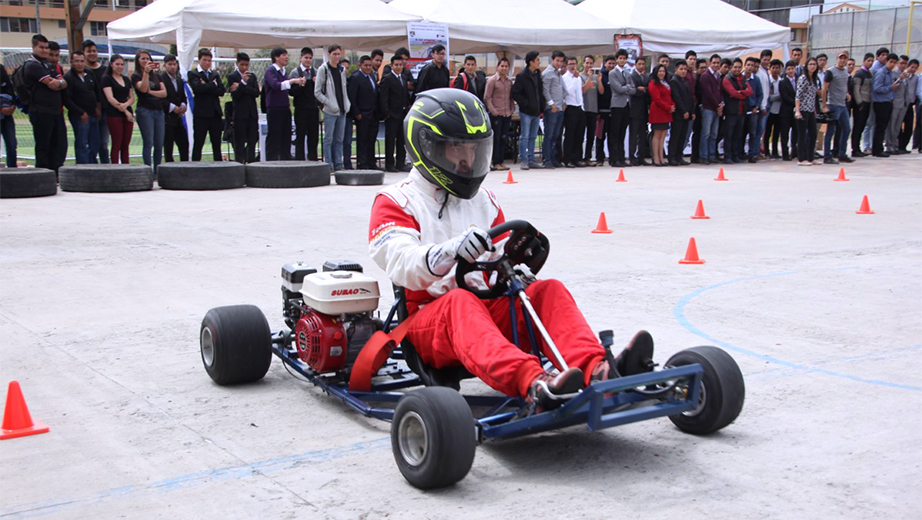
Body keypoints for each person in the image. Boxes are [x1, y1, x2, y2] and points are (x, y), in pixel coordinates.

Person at [368, 88, 623, 413]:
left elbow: (499, 255)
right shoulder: (396, 201)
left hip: (486, 307)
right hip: (428, 321)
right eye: (457, 148)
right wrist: (449, 252)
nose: (468, 160)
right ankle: (534, 383)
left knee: (547, 291)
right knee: (460, 302)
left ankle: (596, 368)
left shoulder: (483, 200)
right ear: (428, 146)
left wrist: (517, 269)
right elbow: (401, 262)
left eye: (475, 149)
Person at [23, 35, 67, 173]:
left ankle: (54, 173)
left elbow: (63, 83)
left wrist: (58, 82)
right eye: (41, 47)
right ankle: (42, 175)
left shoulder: (48, 64)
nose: (44, 50)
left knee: (57, 145)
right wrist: (58, 83)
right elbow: (52, 84)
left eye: (46, 47)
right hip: (41, 111)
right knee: (43, 146)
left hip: (55, 111)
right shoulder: (33, 65)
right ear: (33, 47)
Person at [315, 44, 350, 171]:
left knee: (339, 139)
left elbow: (344, 89)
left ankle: (338, 164)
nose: (336, 56)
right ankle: (329, 164)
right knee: (328, 139)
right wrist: (329, 103)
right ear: (329, 54)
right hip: (330, 110)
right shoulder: (323, 69)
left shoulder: (341, 70)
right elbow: (317, 92)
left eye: (338, 54)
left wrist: (347, 104)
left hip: (342, 109)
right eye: (334, 54)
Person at [131, 50, 166, 173]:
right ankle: (147, 170)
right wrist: (145, 73)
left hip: (159, 111)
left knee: (159, 143)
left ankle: (157, 171)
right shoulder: (136, 76)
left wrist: (151, 92)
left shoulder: (157, 76)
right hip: (145, 111)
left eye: (148, 59)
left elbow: (163, 93)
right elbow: (143, 88)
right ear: (138, 61)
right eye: (143, 59)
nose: (146, 61)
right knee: (148, 142)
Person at [63, 50, 101, 164]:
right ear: (71, 62)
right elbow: (67, 100)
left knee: (95, 143)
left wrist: (98, 108)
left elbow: (96, 91)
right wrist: (80, 113)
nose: (80, 64)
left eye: (82, 61)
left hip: (93, 114)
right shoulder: (68, 77)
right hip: (79, 116)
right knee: (82, 143)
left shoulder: (89, 73)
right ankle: (83, 168)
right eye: (77, 61)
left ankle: (93, 165)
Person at [188, 48, 225, 161]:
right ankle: (195, 167)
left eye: (209, 60)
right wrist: (212, 85)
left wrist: (207, 85)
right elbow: (198, 89)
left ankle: (218, 167)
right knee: (199, 143)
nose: (207, 63)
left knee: (216, 144)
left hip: (215, 113)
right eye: (204, 60)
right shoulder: (193, 74)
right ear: (199, 60)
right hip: (201, 114)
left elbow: (221, 91)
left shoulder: (214, 74)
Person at [261, 47, 297, 161]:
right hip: (274, 108)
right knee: (274, 136)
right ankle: (271, 160)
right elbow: (276, 86)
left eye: (287, 55)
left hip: (285, 108)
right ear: (276, 57)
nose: (286, 57)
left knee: (286, 135)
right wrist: (292, 81)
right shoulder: (270, 71)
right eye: (283, 55)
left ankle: (286, 158)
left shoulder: (284, 71)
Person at [511, 50, 544, 170]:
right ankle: (524, 160)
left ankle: (531, 159)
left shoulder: (537, 75)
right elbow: (515, 93)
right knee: (524, 136)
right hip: (526, 111)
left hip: (536, 111)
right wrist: (525, 104)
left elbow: (540, 92)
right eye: (538, 60)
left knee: (533, 136)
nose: (539, 62)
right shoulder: (522, 76)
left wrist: (541, 106)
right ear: (531, 62)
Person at [820, 49, 854, 164]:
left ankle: (842, 153)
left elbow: (843, 85)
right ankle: (827, 156)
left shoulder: (845, 72)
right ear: (837, 58)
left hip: (842, 104)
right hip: (833, 104)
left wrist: (846, 93)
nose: (842, 60)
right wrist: (824, 105)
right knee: (830, 131)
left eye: (845, 58)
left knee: (846, 129)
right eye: (841, 57)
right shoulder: (830, 72)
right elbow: (825, 89)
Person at [100, 53, 134, 164]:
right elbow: (110, 98)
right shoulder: (107, 78)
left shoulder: (126, 79)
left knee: (126, 144)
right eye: (117, 64)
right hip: (114, 114)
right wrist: (124, 109)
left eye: (122, 64)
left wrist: (127, 106)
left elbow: (131, 98)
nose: (120, 67)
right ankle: (115, 168)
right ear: (111, 65)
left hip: (127, 114)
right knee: (116, 143)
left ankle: (126, 167)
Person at [227, 52, 260, 164]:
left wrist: (242, 86)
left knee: (252, 141)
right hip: (240, 114)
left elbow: (256, 92)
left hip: (252, 114)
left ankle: (251, 162)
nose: (245, 67)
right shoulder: (232, 77)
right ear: (237, 64)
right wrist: (243, 83)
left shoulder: (252, 76)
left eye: (246, 65)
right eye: (242, 65)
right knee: (239, 142)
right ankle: (239, 163)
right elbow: (235, 95)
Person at [347, 55, 379, 170]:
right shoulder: (356, 77)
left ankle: (371, 162)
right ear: (360, 65)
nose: (368, 67)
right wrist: (357, 113)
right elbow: (352, 96)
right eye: (365, 65)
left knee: (371, 139)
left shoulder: (372, 77)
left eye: (370, 65)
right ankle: (362, 163)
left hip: (373, 114)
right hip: (362, 114)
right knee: (362, 140)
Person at [379, 54, 409, 172]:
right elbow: (383, 97)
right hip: (392, 114)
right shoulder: (387, 78)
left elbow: (405, 95)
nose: (398, 67)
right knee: (390, 140)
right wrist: (386, 113)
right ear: (391, 66)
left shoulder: (403, 78)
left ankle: (400, 163)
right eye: (396, 65)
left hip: (402, 113)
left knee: (401, 140)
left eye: (400, 65)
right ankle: (389, 164)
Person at [289, 47, 320, 162]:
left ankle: (313, 160)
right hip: (300, 109)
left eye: (310, 58)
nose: (308, 60)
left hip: (313, 109)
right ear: (301, 58)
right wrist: (300, 84)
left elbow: (322, 90)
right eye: (306, 58)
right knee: (300, 136)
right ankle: (299, 161)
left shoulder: (316, 72)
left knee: (313, 137)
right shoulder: (294, 72)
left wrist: (317, 83)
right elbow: (291, 92)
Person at [484, 57, 514, 171]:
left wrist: (512, 109)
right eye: (502, 66)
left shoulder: (509, 81)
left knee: (503, 138)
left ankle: (501, 161)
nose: (504, 68)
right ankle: (495, 162)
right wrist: (493, 111)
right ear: (497, 67)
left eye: (506, 66)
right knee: (496, 138)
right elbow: (487, 97)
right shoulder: (492, 80)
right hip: (496, 114)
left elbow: (511, 97)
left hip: (507, 113)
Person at [721, 58, 753, 164]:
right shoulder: (727, 79)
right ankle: (727, 156)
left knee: (737, 135)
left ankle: (736, 155)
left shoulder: (743, 78)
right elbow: (733, 93)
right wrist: (742, 93)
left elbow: (750, 91)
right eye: (735, 67)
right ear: (731, 67)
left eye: (739, 67)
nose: (737, 69)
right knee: (729, 135)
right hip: (731, 111)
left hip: (741, 111)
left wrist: (741, 92)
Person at [83, 40, 109, 163]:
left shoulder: (105, 70)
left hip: (105, 111)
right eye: (89, 51)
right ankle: (92, 168)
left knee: (104, 143)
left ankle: (106, 168)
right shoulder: (82, 70)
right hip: (88, 113)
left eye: (94, 51)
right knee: (91, 143)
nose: (92, 53)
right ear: (84, 53)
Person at [607, 49, 634, 168]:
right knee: (615, 133)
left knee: (622, 133)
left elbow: (633, 89)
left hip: (626, 105)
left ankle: (621, 157)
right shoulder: (612, 73)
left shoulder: (627, 73)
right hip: (617, 105)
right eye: (620, 58)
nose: (622, 60)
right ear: (617, 59)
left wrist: (627, 87)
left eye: (624, 58)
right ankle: (614, 158)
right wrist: (627, 87)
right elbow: (618, 88)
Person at [160, 54, 188, 162]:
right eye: (170, 64)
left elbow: (182, 96)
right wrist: (172, 107)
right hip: (167, 118)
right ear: (165, 65)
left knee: (184, 144)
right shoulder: (161, 79)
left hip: (178, 118)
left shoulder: (179, 80)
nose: (172, 67)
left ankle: (185, 167)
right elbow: (161, 99)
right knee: (168, 146)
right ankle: (169, 169)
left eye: (174, 64)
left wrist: (183, 106)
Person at [542, 50, 567, 169]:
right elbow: (545, 90)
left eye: (561, 61)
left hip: (560, 107)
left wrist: (563, 103)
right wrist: (551, 104)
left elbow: (561, 89)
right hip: (551, 109)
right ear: (552, 60)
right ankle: (547, 159)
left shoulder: (558, 73)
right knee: (549, 134)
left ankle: (554, 158)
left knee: (557, 135)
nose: (559, 63)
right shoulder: (548, 73)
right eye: (557, 60)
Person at [871, 53, 899, 157]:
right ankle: (876, 150)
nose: (892, 64)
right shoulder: (881, 73)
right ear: (886, 61)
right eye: (890, 62)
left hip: (888, 102)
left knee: (883, 126)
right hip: (880, 103)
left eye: (894, 63)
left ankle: (879, 148)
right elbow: (877, 88)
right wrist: (891, 88)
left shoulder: (890, 73)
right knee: (880, 126)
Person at [886, 57, 915, 155]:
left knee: (898, 126)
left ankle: (895, 145)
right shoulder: (894, 73)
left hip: (904, 103)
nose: (903, 65)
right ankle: (889, 145)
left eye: (905, 64)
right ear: (898, 63)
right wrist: (900, 79)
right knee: (892, 125)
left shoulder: (906, 75)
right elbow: (892, 87)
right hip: (895, 102)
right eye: (901, 63)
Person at [559, 56, 585, 169]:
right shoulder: (565, 78)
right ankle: (568, 159)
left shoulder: (578, 78)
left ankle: (577, 158)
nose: (572, 66)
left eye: (574, 64)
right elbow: (569, 91)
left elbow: (579, 93)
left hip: (579, 107)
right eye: (570, 64)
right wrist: (574, 78)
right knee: (570, 135)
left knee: (579, 135)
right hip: (570, 107)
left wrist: (582, 106)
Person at [698, 54, 723, 165]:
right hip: (708, 108)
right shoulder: (706, 76)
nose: (716, 65)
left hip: (717, 108)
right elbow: (708, 93)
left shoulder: (718, 76)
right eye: (714, 63)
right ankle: (703, 156)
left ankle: (712, 155)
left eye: (718, 63)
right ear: (710, 63)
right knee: (706, 134)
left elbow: (720, 92)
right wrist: (718, 105)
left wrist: (721, 104)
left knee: (714, 134)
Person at [795, 57, 820, 166]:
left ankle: (811, 157)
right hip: (802, 109)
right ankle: (801, 158)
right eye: (810, 64)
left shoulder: (814, 78)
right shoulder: (803, 78)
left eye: (814, 64)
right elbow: (798, 95)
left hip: (810, 110)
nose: (812, 66)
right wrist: (797, 110)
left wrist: (814, 109)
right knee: (802, 134)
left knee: (813, 134)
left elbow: (813, 96)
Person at [647, 64, 673, 167]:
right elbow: (657, 99)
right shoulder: (653, 83)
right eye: (660, 71)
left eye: (663, 71)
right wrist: (668, 107)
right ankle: (656, 158)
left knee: (663, 136)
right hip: (658, 111)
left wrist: (672, 106)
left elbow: (669, 96)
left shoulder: (666, 83)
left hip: (666, 111)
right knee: (657, 135)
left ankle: (661, 157)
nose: (662, 73)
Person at [668, 61, 693, 166]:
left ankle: (679, 156)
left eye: (685, 69)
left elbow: (689, 98)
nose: (683, 71)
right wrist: (683, 111)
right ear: (676, 70)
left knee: (683, 136)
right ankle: (672, 157)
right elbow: (677, 97)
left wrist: (691, 111)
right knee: (675, 135)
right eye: (681, 69)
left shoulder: (685, 81)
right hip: (678, 113)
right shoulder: (674, 81)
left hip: (687, 113)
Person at [580, 55, 603, 166]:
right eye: (587, 63)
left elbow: (601, 92)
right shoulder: (579, 76)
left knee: (590, 135)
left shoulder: (595, 77)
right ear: (583, 64)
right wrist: (588, 78)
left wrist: (598, 80)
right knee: (580, 135)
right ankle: (578, 157)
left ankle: (587, 157)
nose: (589, 65)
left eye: (591, 63)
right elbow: (583, 91)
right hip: (583, 110)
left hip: (593, 110)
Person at [851, 53, 874, 159]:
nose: (870, 63)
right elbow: (856, 90)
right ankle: (854, 149)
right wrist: (859, 103)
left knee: (862, 126)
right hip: (861, 104)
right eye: (868, 60)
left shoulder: (870, 73)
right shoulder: (859, 73)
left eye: (872, 61)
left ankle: (858, 148)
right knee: (857, 126)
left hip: (868, 102)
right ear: (864, 61)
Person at [628, 57, 650, 166]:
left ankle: (641, 156)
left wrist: (643, 89)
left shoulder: (646, 76)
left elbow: (649, 90)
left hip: (644, 110)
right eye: (639, 64)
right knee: (633, 135)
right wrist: (641, 90)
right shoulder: (632, 76)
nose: (641, 66)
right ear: (635, 64)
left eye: (643, 64)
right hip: (634, 110)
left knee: (642, 135)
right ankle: (632, 157)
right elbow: (634, 91)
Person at [595, 55, 615, 166]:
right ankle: (599, 158)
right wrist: (598, 112)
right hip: (602, 112)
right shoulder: (601, 75)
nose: (611, 65)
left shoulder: (615, 75)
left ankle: (612, 158)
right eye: (609, 63)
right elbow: (600, 94)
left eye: (613, 63)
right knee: (600, 137)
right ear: (605, 64)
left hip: (613, 111)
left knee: (612, 137)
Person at [742, 57, 763, 163]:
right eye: (748, 65)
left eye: (752, 66)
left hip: (753, 110)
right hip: (741, 109)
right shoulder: (740, 78)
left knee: (753, 133)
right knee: (740, 132)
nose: (750, 67)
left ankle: (752, 154)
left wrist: (756, 106)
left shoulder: (756, 79)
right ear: (745, 66)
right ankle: (739, 153)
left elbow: (760, 94)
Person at [896, 59, 918, 153]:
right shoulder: (902, 76)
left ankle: (903, 146)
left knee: (909, 125)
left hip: (909, 104)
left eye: (915, 68)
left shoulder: (916, 78)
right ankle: (898, 145)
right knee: (898, 125)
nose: (913, 69)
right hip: (901, 103)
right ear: (907, 66)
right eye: (912, 67)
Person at [763, 59, 783, 159]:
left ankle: (775, 151)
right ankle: (766, 151)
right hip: (769, 110)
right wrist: (779, 96)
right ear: (770, 69)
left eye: (777, 68)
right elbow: (769, 97)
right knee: (768, 131)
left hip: (779, 110)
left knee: (776, 132)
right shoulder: (768, 80)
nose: (775, 70)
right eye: (773, 68)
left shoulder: (781, 81)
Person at [778, 60, 798, 161]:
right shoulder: (782, 82)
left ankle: (794, 151)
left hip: (797, 111)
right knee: (785, 133)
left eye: (792, 69)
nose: (791, 71)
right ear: (785, 70)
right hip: (786, 111)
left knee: (796, 132)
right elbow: (784, 96)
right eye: (789, 69)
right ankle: (785, 153)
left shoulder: (799, 80)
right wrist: (797, 102)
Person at [691, 58, 708, 163]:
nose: (703, 70)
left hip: (705, 107)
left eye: (705, 68)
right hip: (697, 108)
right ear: (696, 69)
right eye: (701, 68)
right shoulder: (696, 79)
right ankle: (695, 155)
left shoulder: (705, 78)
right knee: (697, 132)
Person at [0, 63, 16, 167]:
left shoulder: (1, 69)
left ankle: (13, 170)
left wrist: (12, 105)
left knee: (11, 144)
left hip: (7, 116)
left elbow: (9, 88)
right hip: (3, 111)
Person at [340, 58, 354, 170]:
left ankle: (348, 163)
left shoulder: (350, 81)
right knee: (336, 140)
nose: (345, 70)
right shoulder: (333, 80)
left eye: (347, 68)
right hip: (336, 113)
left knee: (347, 141)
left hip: (348, 115)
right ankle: (336, 163)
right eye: (343, 67)